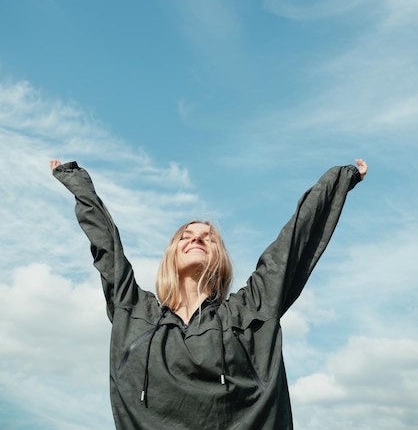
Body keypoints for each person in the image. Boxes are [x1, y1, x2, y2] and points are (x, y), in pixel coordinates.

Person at [50, 158, 367, 430]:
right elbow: (107, 247)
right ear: (173, 254)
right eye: (186, 236)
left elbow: (295, 240)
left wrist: (341, 178)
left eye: (208, 237)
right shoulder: (135, 314)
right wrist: (74, 178)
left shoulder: (249, 310)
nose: (196, 239)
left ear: (221, 258)